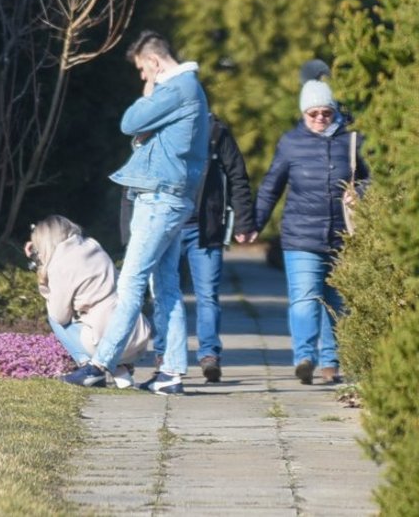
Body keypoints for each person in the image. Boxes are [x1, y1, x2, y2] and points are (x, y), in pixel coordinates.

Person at [61, 30, 210, 395]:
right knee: (166, 287)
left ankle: (99, 365)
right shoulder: (189, 89)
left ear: (155, 62)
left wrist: (149, 92)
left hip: (159, 200)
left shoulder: (175, 89)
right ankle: (170, 373)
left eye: (143, 69)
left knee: (130, 283)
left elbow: (130, 122)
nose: (143, 76)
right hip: (171, 198)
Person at [254, 78, 370, 385]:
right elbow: (271, 187)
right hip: (301, 236)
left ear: (335, 111)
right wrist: (252, 225)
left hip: (344, 238)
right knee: (305, 299)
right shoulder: (291, 143)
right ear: (303, 113)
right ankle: (304, 358)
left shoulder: (353, 140)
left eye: (326, 113)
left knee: (336, 303)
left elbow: (372, 178)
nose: (320, 118)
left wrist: (360, 192)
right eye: (313, 113)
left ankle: (331, 363)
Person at [25, 215, 151, 388]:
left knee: (55, 318)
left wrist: (39, 267)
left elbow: (59, 316)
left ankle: (87, 369)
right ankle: (120, 371)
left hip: (102, 340)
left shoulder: (59, 264)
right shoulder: (93, 245)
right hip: (137, 336)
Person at [178, 115, 257, 382]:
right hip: (168, 228)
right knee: (167, 295)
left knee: (208, 295)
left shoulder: (215, 131)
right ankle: (165, 355)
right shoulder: (161, 124)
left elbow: (237, 176)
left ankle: (209, 355)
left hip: (206, 227)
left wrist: (244, 222)